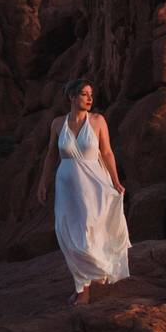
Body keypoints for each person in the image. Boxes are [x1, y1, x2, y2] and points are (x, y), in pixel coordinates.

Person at [37, 79, 130, 305]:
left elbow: (107, 153)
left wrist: (116, 181)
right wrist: (43, 182)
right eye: (84, 94)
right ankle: (82, 287)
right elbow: (51, 155)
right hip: (67, 187)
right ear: (71, 96)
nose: (90, 98)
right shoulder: (57, 124)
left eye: (91, 94)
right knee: (68, 234)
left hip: (94, 185)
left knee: (89, 233)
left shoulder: (98, 121)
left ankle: (89, 282)